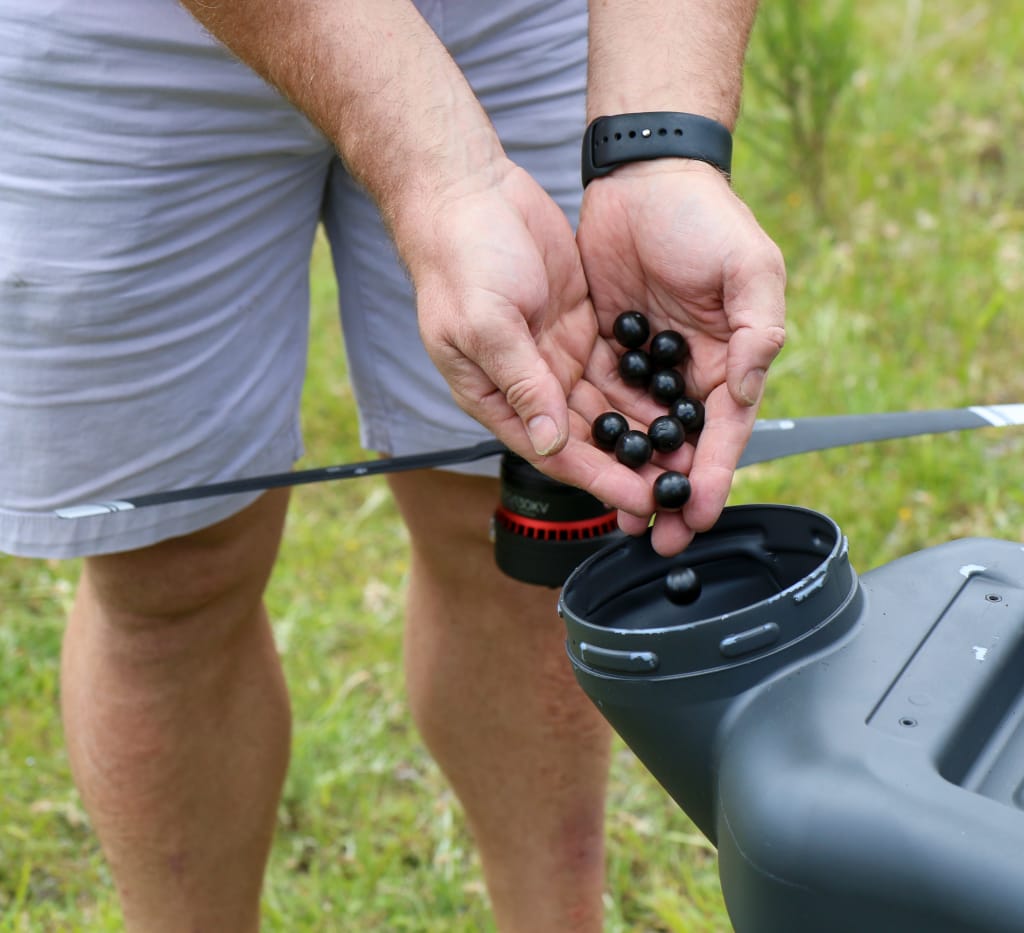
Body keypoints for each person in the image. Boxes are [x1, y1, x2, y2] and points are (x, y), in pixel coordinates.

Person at [0, 0, 785, 929]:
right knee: (172, 575)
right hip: (125, 37)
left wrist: (658, 147)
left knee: (521, 540)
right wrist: (445, 178)